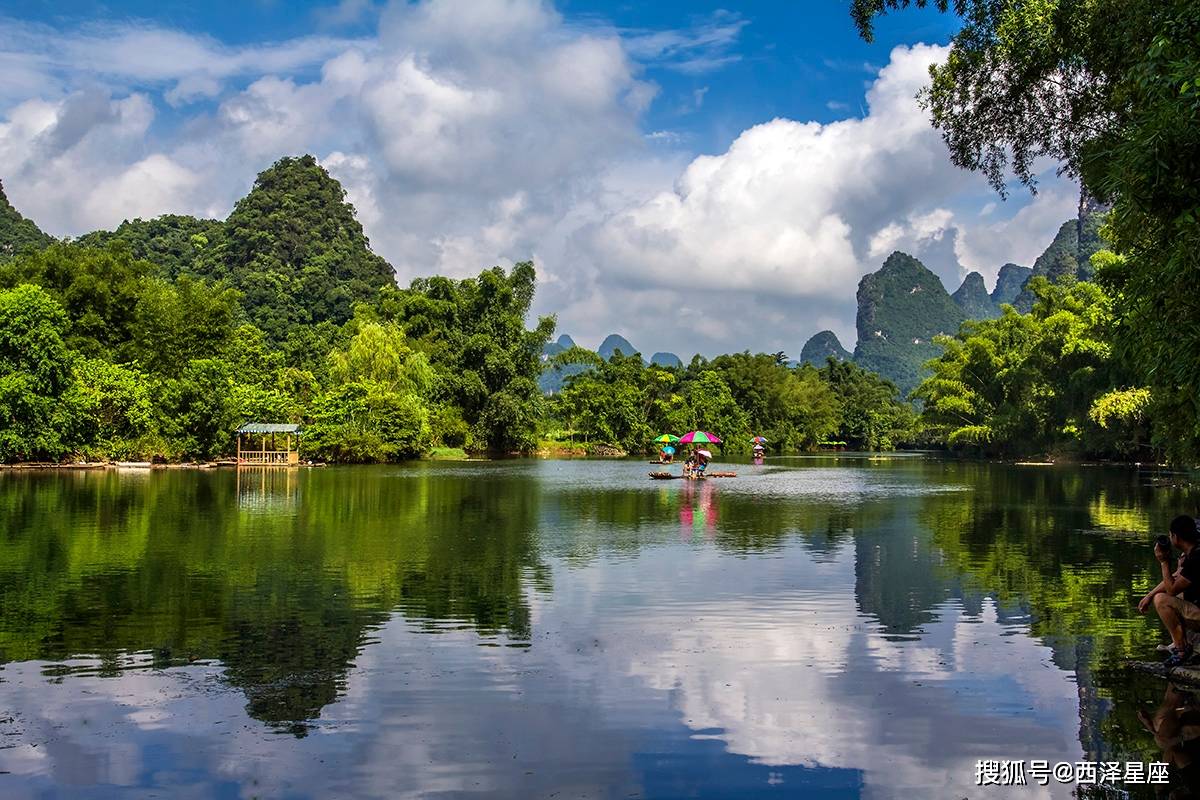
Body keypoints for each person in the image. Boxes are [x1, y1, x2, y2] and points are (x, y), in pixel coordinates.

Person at [1138, 515, 1200, 666]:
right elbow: (1175, 579)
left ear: (1176, 537)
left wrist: (1164, 562)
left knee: (1162, 600)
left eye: (1170, 535)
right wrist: (1149, 595)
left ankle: (1181, 650)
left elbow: (1171, 589)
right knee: (1164, 594)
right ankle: (1182, 642)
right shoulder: (1193, 553)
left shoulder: (1197, 558)